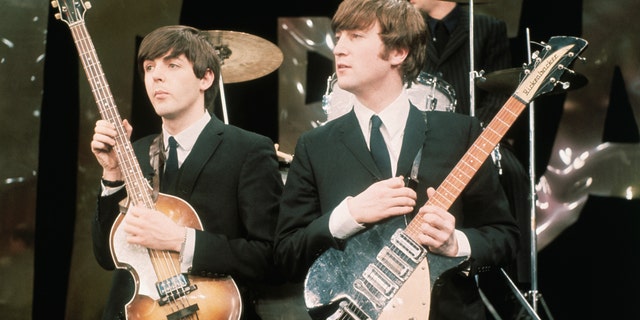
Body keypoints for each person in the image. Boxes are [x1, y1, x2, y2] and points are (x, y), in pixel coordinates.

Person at [274, 0, 520, 319]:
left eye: (356, 36)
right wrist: (349, 214)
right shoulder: (314, 145)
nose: (339, 49)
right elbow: (285, 255)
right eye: (339, 36)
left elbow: (504, 237)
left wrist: (455, 243)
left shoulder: (460, 133)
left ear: (398, 52)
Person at [90, 25, 283, 320]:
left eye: (173, 65)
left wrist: (181, 240)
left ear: (206, 78)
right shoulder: (134, 153)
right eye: (149, 67)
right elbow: (107, 257)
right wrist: (112, 174)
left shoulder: (249, 150)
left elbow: (270, 257)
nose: (156, 76)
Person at [410, 0, 532, 295]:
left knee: (512, 174)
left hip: (476, 137)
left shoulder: (488, 27)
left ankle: (514, 279)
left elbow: (502, 93)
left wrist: (480, 138)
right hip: (424, 141)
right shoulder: (409, 28)